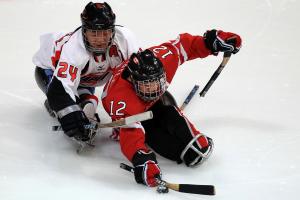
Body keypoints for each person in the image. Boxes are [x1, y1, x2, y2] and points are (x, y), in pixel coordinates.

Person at [101, 29, 242, 187]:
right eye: (147, 85)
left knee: (175, 120)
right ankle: (127, 130)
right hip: (136, 113)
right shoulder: (119, 100)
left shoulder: (165, 58)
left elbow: (184, 45)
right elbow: (130, 135)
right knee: (161, 140)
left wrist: (212, 41)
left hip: (159, 102)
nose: (154, 88)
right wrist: (141, 158)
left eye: (157, 81)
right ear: (133, 81)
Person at [32, 2, 140, 142]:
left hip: (86, 77)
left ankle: (84, 101)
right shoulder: (73, 49)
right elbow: (59, 90)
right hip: (49, 71)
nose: (100, 40)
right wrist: (70, 114)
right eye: (94, 33)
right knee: (76, 111)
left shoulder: (124, 39)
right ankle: (60, 106)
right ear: (84, 31)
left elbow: (139, 73)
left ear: (112, 30)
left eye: (105, 33)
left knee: (88, 106)